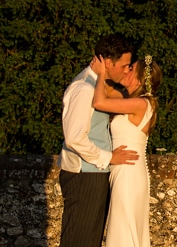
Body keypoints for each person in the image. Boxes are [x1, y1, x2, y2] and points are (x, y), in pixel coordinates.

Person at [59, 35, 139, 247]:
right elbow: (75, 138)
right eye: (124, 65)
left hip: (93, 173)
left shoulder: (96, 86)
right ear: (108, 62)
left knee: (88, 240)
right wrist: (109, 157)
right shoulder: (84, 89)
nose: (126, 70)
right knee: (79, 241)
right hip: (85, 175)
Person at [93, 54, 162, 247]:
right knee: (122, 226)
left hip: (129, 172)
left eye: (130, 69)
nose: (126, 70)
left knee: (123, 228)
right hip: (123, 170)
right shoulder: (130, 99)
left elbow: (99, 102)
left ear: (139, 78)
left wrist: (99, 75)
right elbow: (106, 91)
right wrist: (106, 69)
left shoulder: (142, 103)